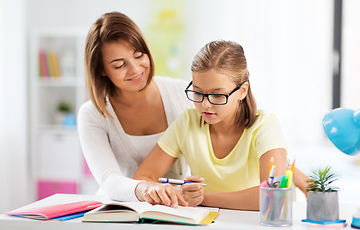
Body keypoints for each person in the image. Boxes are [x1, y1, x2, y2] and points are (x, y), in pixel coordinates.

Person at [133, 40, 308, 210]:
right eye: (197, 92)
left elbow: (271, 194)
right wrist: (172, 191)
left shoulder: (265, 126)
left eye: (217, 95)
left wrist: (204, 198)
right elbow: (142, 176)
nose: (205, 105)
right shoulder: (187, 123)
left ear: (242, 91)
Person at [77, 11, 193, 202]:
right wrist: (145, 188)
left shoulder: (184, 94)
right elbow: (108, 181)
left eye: (139, 55)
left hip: (179, 208)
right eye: (119, 65)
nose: (135, 69)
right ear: (101, 70)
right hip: (123, 210)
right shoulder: (92, 114)